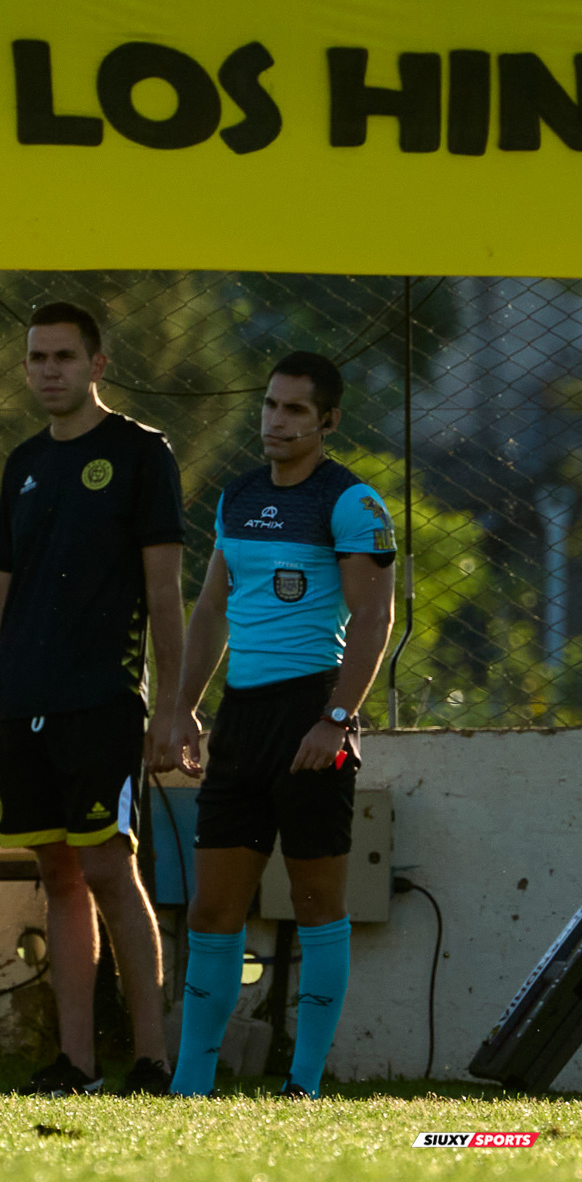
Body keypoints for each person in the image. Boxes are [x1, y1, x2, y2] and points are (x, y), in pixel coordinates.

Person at [0, 301, 184, 1096]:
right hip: (26, 703)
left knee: (110, 864)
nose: (49, 370)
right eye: (38, 357)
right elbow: (1, 599)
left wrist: (175, 706)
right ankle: (75, 1060)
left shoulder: (143, 454)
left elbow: (167, 592)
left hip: (103, 698)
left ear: (97, 365)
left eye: (65, 357)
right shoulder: (22, 464)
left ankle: (152, 1059)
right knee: (58, 873)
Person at [164, 351, 395, 1098]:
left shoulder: (351, 502)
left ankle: (304, 1084)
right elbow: (208, 610)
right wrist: (183, 706)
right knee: (212, 906)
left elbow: (374, 616)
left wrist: (337, 717)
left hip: (311, 716)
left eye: (296, 410)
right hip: (242, 719)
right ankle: (191, 1086)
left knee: (316, 903)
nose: (277, 421)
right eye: (270, 406)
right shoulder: (237, 497)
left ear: (327, 420)